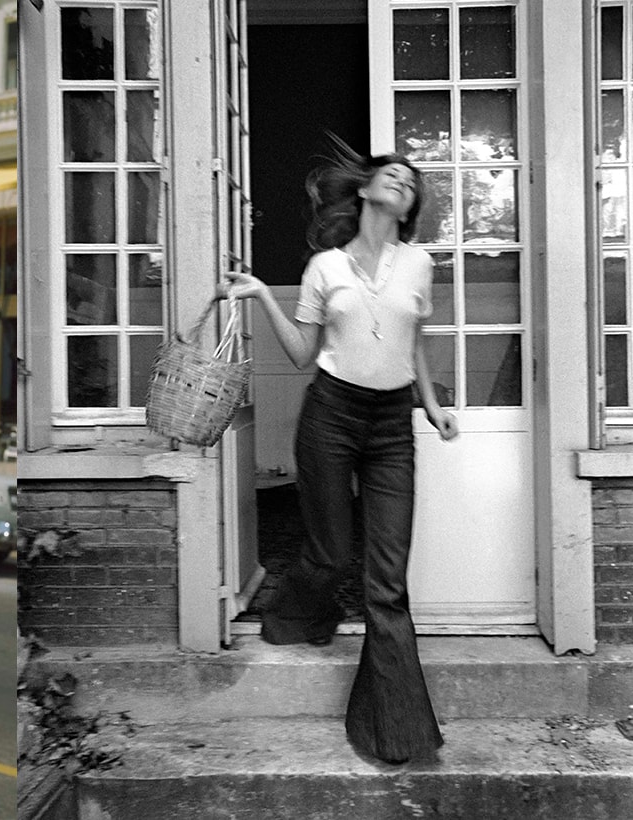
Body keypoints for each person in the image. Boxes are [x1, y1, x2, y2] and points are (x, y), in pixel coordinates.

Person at [219, 143, 457, 765]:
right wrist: (259, 294)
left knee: (386, 578)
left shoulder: (419, 264)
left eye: (412, 180)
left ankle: (391, 728)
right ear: (366, 189)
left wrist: (430, 404)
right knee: (327, 552)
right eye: (392, 172)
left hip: (390, 424)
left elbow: (416, 340)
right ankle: (293, 617)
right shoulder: (326, 265)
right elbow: (301, 353)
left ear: (410, 207)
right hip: (330, 414)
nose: (403, 179)